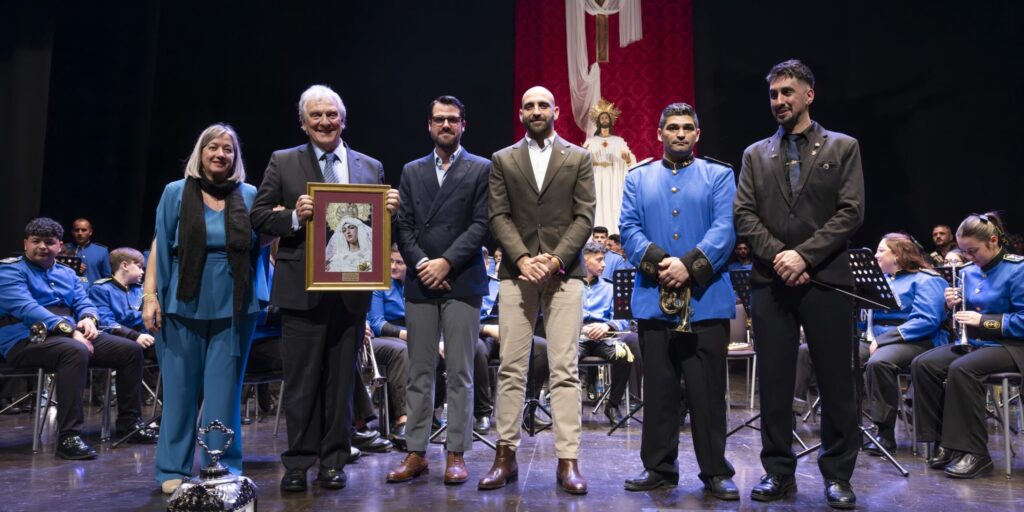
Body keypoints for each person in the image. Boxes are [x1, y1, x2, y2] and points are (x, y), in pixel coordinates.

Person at [250, 85, 400, 493]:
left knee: (341, 383)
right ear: (303, 122)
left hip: (352, 293)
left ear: (343, 119)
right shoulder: (283, 162)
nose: (324, 121)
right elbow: (259, 218)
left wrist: (391, 213)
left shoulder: (370, 167)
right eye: (315, 115)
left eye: (331, 114)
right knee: (300, 383)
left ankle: (334, 461)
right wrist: (293, 219)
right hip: (300, 292)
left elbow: (384, 234)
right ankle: (298, 463)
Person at [733, 59, 865, 509]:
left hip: (825, 279)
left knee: (835, 382)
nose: (779, 101)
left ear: (809, 94)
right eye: (773, 94)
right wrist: (780, 256)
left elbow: (850, 212)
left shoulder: (842, 147)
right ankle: (778, 472)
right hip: (771, 282)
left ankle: (838, 475)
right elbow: (744, 215)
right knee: (773, 382)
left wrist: (804, 255)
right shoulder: (755, 154)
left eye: (787, 92)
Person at [618, 102, 739, 499]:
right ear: (659, 133)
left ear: (697, 134)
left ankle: (715, 471)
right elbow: (629, 229)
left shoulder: (719, 175)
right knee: (659, 392)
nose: (681, 133)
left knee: (707, 395)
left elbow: (725, 230)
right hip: (654, 299)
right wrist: (661, 263)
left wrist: (688, 266)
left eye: (688, 127)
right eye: (673, 127)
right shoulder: (638, 177)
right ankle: (658, 467)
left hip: (706, 301)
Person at [479, 85, 594, 495]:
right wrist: (526, 259)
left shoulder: (578, 157)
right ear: (521, 113)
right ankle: (504, 456)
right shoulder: (503, 159)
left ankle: (568, 461)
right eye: (529, 105)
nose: (536, 110)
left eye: (543, 104)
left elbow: (584, 216)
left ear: (556, 111)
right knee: (511, 367)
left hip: (565, 274)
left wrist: (555, 259)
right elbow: (498, 215)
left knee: (565, 368)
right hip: (516, 273)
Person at [142, 123, 259, 494]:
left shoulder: (250, 195)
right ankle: (171, 468)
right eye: (213, 147)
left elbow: (265, 241)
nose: (221, 154)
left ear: (235, 158)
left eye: (228, 149)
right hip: (181, 301)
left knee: (224, 391)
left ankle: (220, 465)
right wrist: (150, 296)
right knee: (179, 390)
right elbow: (160, 245)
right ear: (200, 152)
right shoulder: (176, 192)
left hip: (234, 304)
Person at [387, 95, 490, 485]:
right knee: (419, 370)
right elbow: (405, 227)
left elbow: (481, 224)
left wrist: (445, 262)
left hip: (462, 278)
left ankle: (456, 453)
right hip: (421, 279)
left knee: (461, 370)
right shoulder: (411, 171)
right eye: (438, 120)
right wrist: (422, 264)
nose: (445, 126)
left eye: (453, 120)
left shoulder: (482, 168)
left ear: (464, 124)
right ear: (428, 126)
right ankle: (416, 452)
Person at [0, 218, 155, 461]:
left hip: (72, 337)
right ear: (25, 243)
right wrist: (70, 329)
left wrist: (89, 319)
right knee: (74, 350)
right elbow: (26, 307)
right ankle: (68, 436)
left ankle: (130, 423)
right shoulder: (9, 270)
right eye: (36, 241)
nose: (42, 246)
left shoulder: (66, 273)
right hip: (25, 339)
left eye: (49, 242)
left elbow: (84, 301)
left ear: (59, 246)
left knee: (129, 350)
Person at [912, 212, 1024, 479]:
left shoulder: (1017, 269)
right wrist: (952, 303)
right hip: (976, 344)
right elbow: (963, 314)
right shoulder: (968, 272)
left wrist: (984, 321)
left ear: (994, 241)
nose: (968, 257)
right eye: (963, 251)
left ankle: (976, 453)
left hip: (1010, 346)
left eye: (972, 251)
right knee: (923, 364)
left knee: (962, 369)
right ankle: (945, 443)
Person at [861, 233, 949, 455]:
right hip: (879, 339)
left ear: (898, 255)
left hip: (919, 340)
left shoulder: (928, 279)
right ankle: (847, 427)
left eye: (881, 250)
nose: (875, 255)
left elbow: (927, 320)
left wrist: (883, 340)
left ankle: (884, 433)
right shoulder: (881, 281)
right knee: (839, 356)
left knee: (879, 362)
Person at [577, 241, 640, 426]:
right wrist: (579, 327)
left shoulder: (610, 287)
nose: (604, 264)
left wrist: (608, 326)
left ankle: (612, 405)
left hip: (604, 337)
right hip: (577, 336)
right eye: (599, 260)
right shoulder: (570, 287)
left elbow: (623, 319)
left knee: (624, 356)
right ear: (585, 261)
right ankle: (571, 407)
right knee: (565, 358)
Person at [88, 247, 159, 396]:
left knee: (170, 350)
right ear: (125, 265)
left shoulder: (140, 291)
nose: (142, 272)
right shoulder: (101, 289)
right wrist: (136, 330)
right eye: (139, 267)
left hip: (142, 338)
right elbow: (106, 322)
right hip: (114, 339)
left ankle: (163, 403)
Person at [584, 98, 636, 234]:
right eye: (602, 118)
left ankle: (614, 233)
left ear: (611, 120)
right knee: (597, 205)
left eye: (607, 117)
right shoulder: (591, 141)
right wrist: (584, 153)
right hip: (596, 177)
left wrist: (627, 158)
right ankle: (595, 235)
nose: (604, 120)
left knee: (613, 204)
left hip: (613, 178)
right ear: (598, 121)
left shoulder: (618, 141)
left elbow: (630, 161)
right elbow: (582, 160)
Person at [66, 218, 111, 289]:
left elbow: (107, 277)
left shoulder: (102, 251)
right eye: (76, 230)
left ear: (90, 232)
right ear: (72, 232)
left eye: (84, 230)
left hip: (93, 295)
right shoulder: (62, 249)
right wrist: (72, 266)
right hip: (68, 292)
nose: (80, 233)